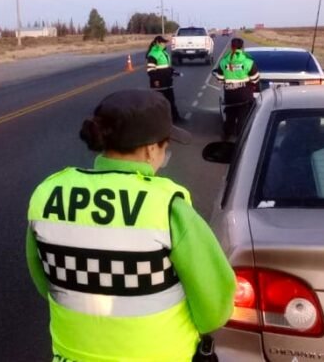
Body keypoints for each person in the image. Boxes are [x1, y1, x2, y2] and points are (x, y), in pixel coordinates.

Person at [26, 89, 236, 362]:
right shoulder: (168, 206)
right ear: (150, 149)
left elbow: (44, 283)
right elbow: (215, 307)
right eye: (165, 145)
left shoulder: (47, 194)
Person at [212, 38, 259, 140]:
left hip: (230, 96)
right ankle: (241, 140)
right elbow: (255, 79)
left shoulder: (224, 61)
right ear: (242, 47)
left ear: (231, 46)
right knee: (243, 118)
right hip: (244, 96)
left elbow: (220, 79)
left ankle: (225, 139)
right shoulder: (248, 62)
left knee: (230, 117)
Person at [146, 35, 182, 123]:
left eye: (165, 43)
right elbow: (150, 70)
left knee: (171, 101)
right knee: (159, 103)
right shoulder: (153, 54)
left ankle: (175, 118)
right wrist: (156, 80)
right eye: (163, 43)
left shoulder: (163, 53)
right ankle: (158, 121)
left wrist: (173, 72)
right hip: (159, 84)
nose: (164, 44)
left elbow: (166, 66)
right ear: (157, 43)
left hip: (167, 82)